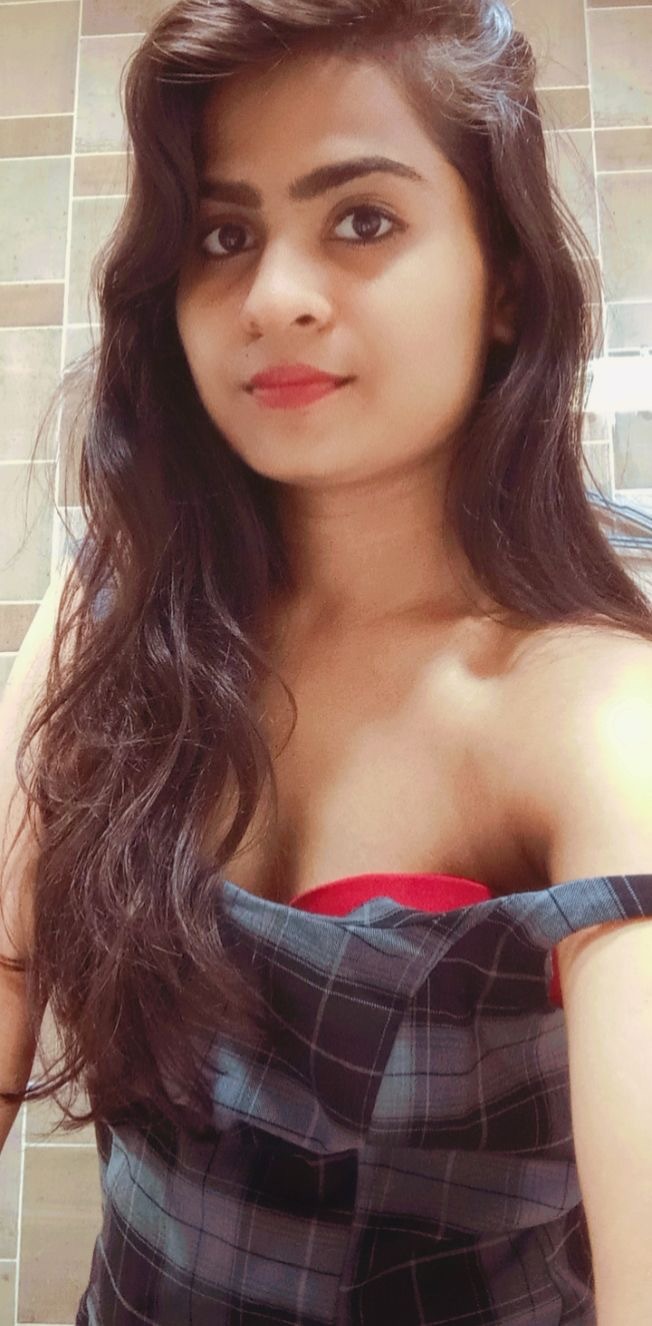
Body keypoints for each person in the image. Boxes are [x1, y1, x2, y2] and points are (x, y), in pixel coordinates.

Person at [1, 1, 652, 1322]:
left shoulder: (593, 707)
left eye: (362, 220)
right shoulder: (116, 595)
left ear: (504, 279)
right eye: (223, 236)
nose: (274, 298)